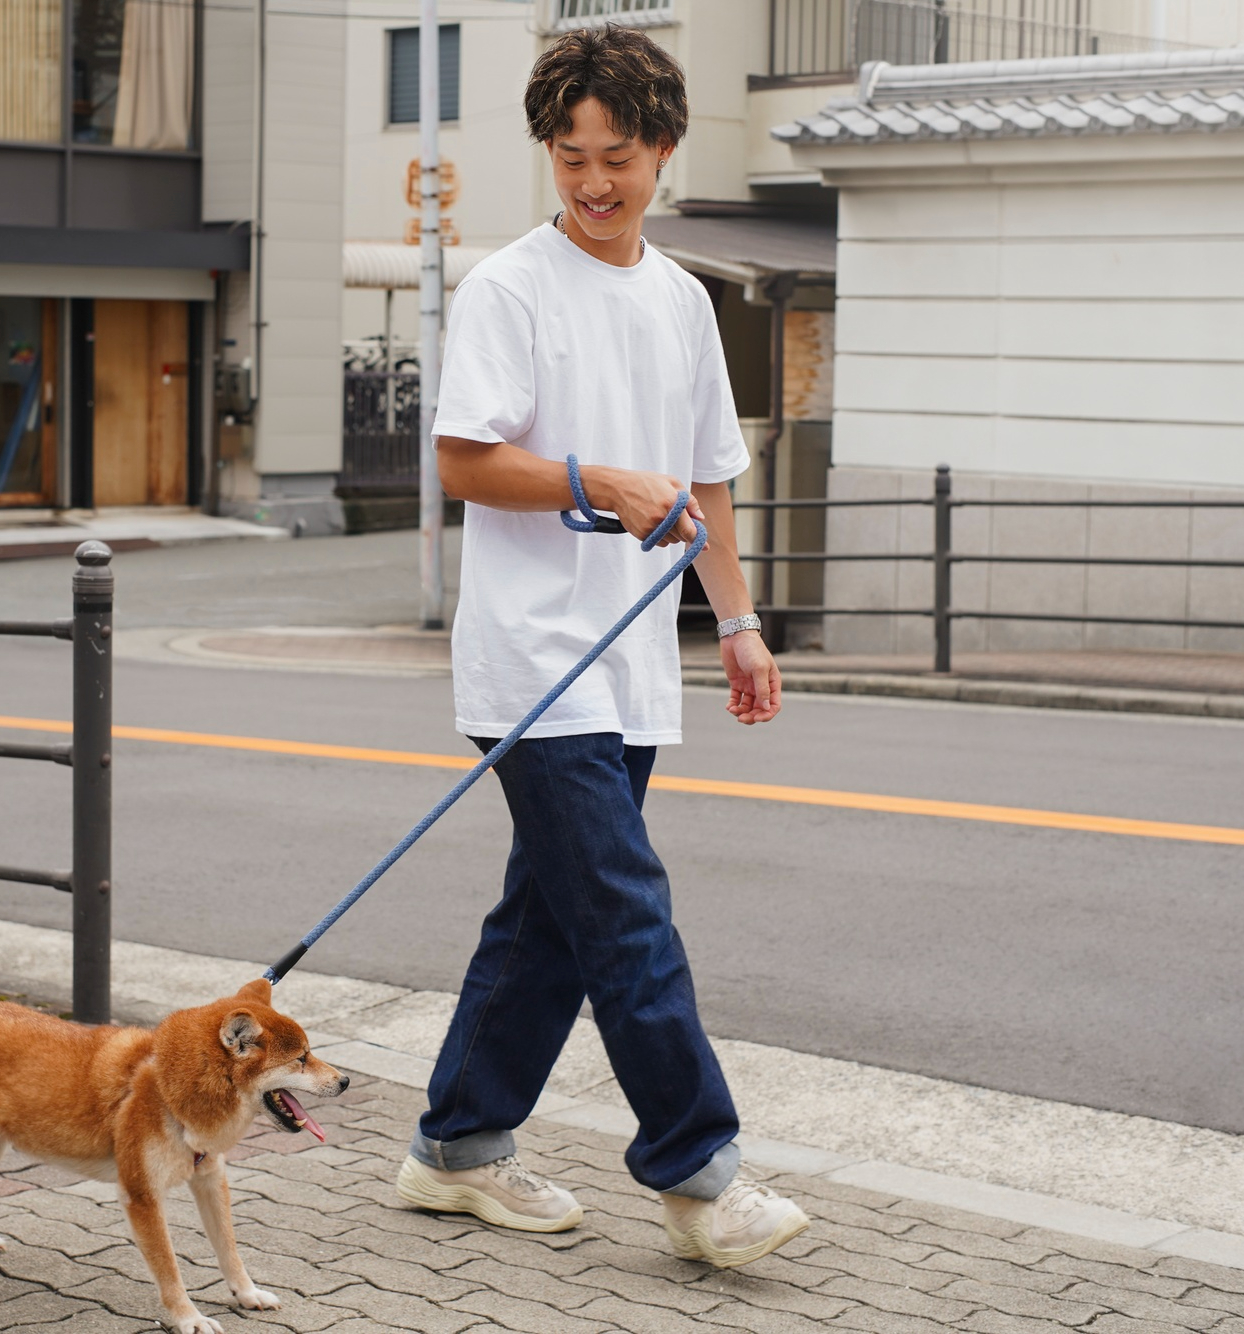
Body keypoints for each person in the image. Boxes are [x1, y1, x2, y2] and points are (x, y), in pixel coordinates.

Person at [391, 26, 809, 1268]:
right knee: (624, 913)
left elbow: (708, 483)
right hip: (530, 659)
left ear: (661, 150)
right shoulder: (509, 288)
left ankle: (456, 1147)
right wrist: (597, 483)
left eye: (614, 155)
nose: (589, 180)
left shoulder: (680, 300)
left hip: (631, 664)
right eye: (568, 156)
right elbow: (463, 456)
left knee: (553, 923)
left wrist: (735, 624)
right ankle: (697, 1170)